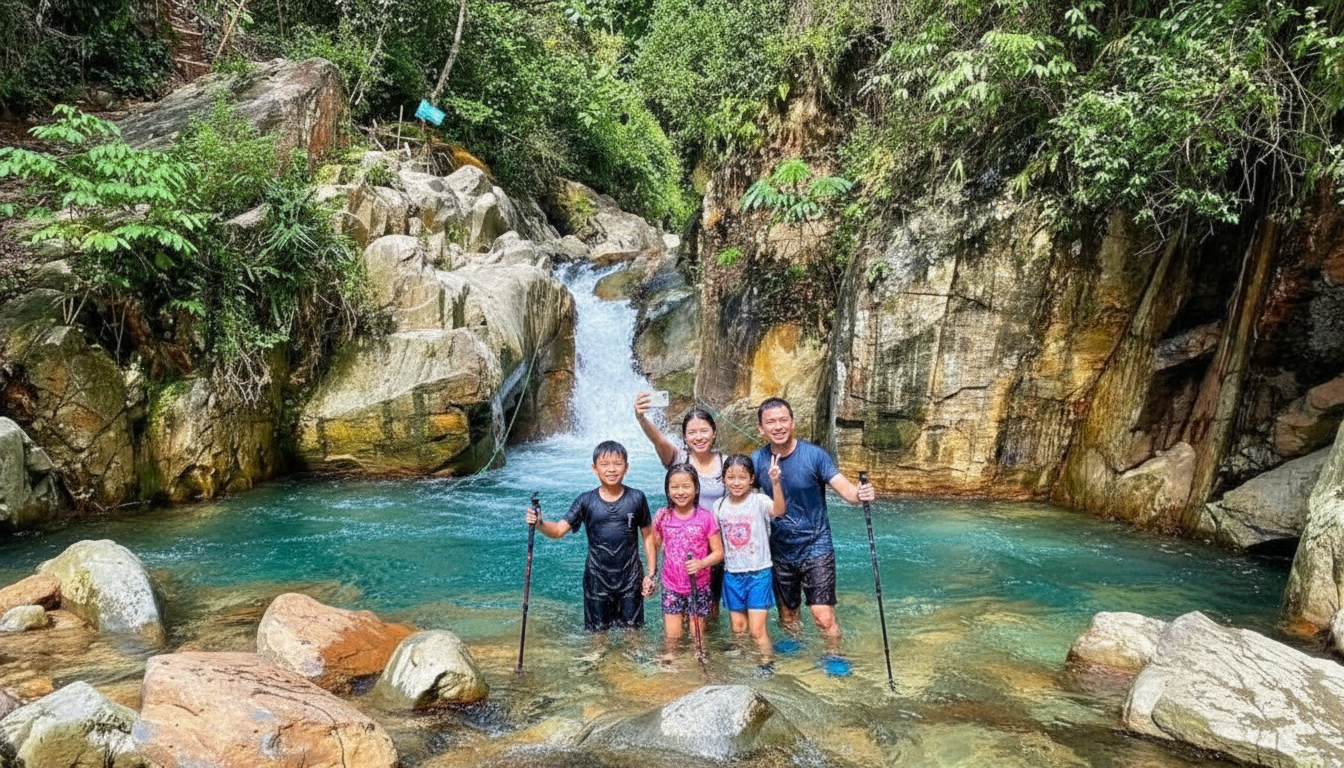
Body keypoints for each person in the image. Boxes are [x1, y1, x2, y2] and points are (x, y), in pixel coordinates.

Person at [752, 397, 874, 649]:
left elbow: (849, 493)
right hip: (779, 549)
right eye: (771, 422)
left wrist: (861, 493)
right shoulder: (757, 460)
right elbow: (744, 501)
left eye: (783, 420)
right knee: (788, 616)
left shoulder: (815, 456)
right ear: (761, 428)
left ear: (793, 422)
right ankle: (797, 655)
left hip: (816, 546)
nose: (778, 426)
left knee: (823, 616)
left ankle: (834, 654)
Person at [526, 440, 656, 632]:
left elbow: (648, 535)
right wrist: (540, 523)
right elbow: (559, 530)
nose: (611, 469)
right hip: (596, 580)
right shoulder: (585, 501)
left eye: (617, 464)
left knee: (633, 636)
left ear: (626, 467)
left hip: (631, 579)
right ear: (594, 468)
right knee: (598, 638)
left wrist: (651, 574)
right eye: (604, 464)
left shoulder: (637, 498)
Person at [634, 394, 727, 612]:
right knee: (678, 606)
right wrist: (641, 418)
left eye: (704, 431)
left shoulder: (726, 463)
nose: (699, 437)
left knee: (710, 609)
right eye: (692, 432)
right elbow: (658, 440)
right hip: (683, 546)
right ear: (684, 437)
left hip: (716, 546)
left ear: (714, 433)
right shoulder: (678, 458)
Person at [713, 453, 786, 671]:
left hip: (759, 573)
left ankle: (766, 664)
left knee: (756, 629)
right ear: (723, 479)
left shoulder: (759, 501)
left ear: (751, 479)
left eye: (742, 477)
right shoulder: (719, 506)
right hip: (732, 573)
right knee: (738, 628)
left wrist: (775, 482)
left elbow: (779, 511)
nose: (736, 482)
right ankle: (742, 664)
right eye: (731, 477)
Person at [644, 463, 723, 655]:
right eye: (675, 487)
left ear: (696, 489)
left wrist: (702, 563)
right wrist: (651, 575)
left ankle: (698, 663)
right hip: (671, 586)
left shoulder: (705, 517)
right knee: (673, 638)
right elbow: (654, 546)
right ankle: (672, 665)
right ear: (667, 490)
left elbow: (719, 553)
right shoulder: (663, 516)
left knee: (698, 637)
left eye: (686, 486)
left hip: (699, 586)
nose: (680, 492)